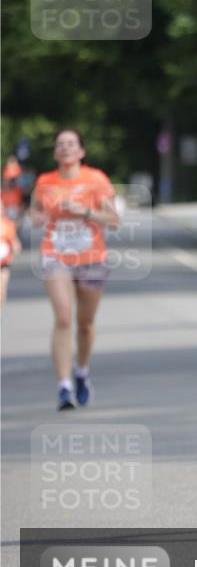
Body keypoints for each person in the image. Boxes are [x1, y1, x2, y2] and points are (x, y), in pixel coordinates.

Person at [31, 129, 120, 410]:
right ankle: (64, 386)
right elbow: (34, 213)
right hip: (56, 254)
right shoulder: (45, 181)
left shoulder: (96, 179)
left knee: (85, 324)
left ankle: (81, 370)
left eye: (71, 144)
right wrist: (41, 216)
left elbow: (113, 220)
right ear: (55, 152)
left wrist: (84, 211)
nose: (65, 148)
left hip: (91, 256)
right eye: (60, 144)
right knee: (63, 318)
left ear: (81, 151)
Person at [0, 202, 21, 306]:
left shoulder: (8, 224)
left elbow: (14, 241)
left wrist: (16, 247)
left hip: (4, 260)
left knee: (2, 285)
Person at [2, 155, 25, 224]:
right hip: (6, 204)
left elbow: (18, 182)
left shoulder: (17, 169)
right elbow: (6, 181)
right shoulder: (6, 169)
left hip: (16, 204)